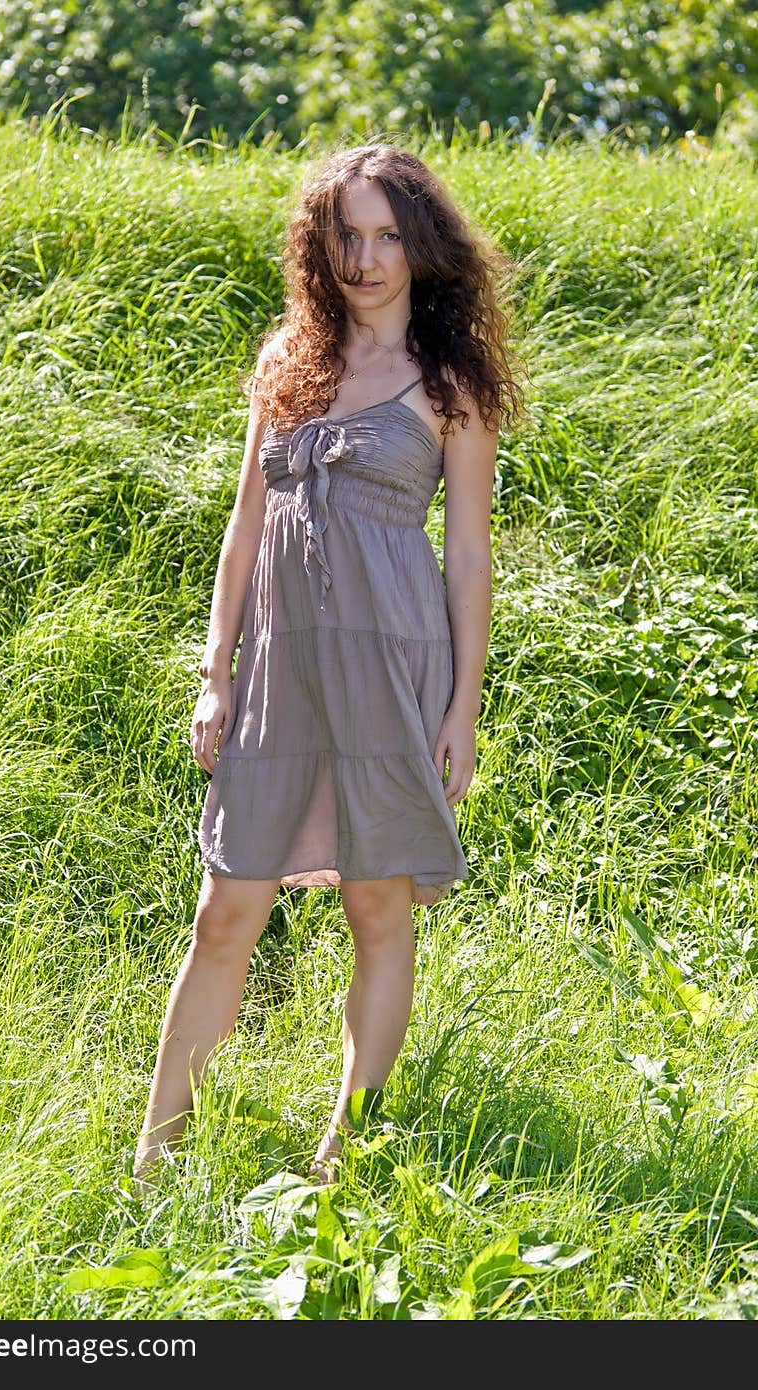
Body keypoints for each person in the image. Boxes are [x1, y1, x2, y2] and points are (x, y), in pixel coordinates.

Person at [133, 141, 524, 1193]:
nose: (365, 257)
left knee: (375, 907)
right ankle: (152, 1162)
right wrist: (214, 670)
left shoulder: (451, 386)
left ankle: (346, 1154)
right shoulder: (286, 361)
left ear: (421, 243)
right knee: (226, 907)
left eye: (387, 234)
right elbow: (242, 528)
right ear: (320, 244)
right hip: (281, 671)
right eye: (345, 233)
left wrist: (462, 709)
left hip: (395, 664)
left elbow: (471, 556)